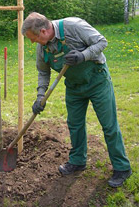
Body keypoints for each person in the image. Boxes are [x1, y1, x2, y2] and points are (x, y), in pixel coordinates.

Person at [22, 12, 132, 188]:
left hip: (97, 80)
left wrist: (83, 56)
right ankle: (78, 161)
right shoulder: (42, 48)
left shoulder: (73, 26)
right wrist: (40, 96)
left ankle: (122, 167)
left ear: (43, 31)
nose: (32, 43)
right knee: (75, 124)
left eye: (33, 39)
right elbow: (43, 72)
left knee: (109, 125)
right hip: (74, 87)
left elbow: (102, 41)